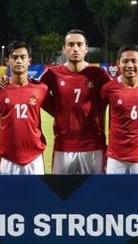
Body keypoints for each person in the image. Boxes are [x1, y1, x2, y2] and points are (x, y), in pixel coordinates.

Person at [38, 30, 111, 174]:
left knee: (95, 193)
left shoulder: (99, 74)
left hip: (93, 146)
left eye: (79, 44)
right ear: (64, 49)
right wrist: (58, 112)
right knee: (61, 194)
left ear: (86, 48)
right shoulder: (52, 74)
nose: (75, 48)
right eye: (71, 44)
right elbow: (33, 91)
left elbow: (117, 91)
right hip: (63, 146)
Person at [0, 41, 50, 175]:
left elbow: (60, 113)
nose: (18, 61)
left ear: (29, 61)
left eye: (23, 57)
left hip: (34, 158)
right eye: (14, 57)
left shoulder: (41, 89)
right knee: (7, 196)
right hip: (7, 158)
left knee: (37, 196)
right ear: (7, 61)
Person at [100, 44, 138, 174]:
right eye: (125, 61)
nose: (130, 65)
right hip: (116, 157)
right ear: (118, 63)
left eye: (134, 61)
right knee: (115, 194)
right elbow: (99, 114)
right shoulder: (108, 88)